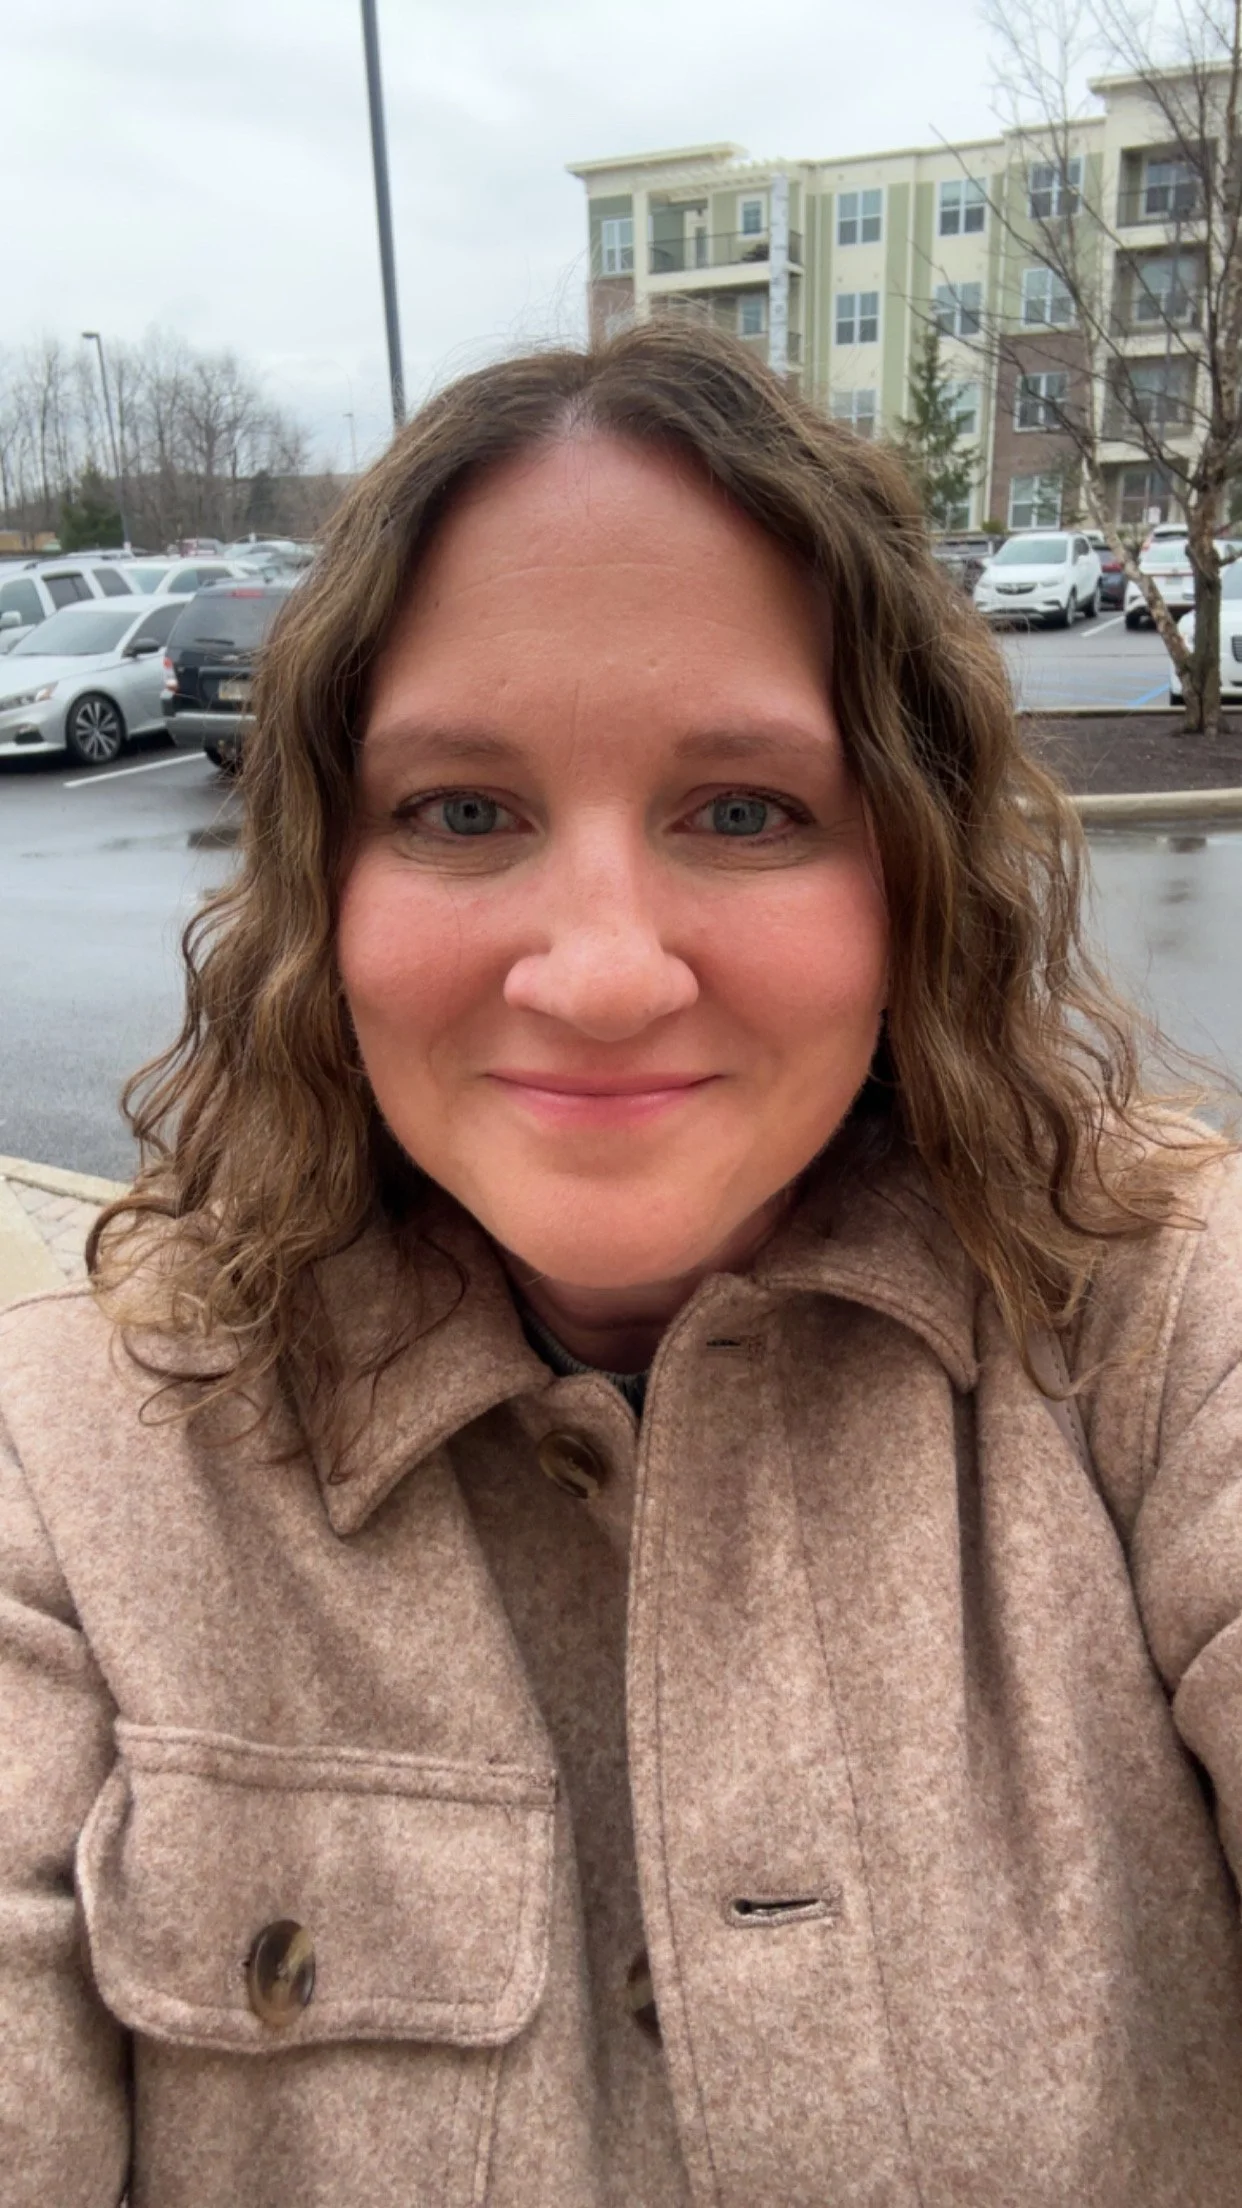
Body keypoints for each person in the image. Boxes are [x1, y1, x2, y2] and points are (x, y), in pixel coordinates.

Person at [2, 320, 1241, 2208]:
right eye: (462, 812)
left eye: (740, 811)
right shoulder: (67, 1477)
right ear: (324, 877)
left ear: (908, 873)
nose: (596, 977)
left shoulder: (1173, 1330)